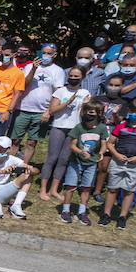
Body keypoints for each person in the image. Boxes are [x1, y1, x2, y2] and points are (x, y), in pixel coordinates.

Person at [99, 97, 136, 228]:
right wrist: (117, 154)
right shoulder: (121, 126)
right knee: (112, 189)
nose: (134, 114)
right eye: (132, 111)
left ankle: (122, 216)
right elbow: (110, 143)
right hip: (118, 162)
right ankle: (106, 214)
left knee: (129, 191)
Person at [36, 67, 91, 201]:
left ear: (82, 77)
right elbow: (53, 110)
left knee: (64, 159)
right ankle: (43, 189)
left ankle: (54, 189)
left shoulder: (85, 92)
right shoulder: (61, 91)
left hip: (74, 129)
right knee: (52, 158)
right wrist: (67, 103)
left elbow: (86, 115)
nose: (73, 78)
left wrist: (86, 106)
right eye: (71, 75)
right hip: (59, 127)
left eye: (76, 76)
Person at [56, 101, 109, 226]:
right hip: (76, 162)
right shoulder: (79, 127)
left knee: (86, 187)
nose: (88, 115)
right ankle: (66, 210)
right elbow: (72, 145)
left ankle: (82, 212)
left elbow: (103, 144)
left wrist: (101, 153)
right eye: (87, 112)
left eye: (91, 112)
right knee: (70, 186)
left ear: (99, 114)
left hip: (91, 163)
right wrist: (80, 152)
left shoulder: (101, 128)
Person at [11, 42, 64, 164]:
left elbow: (57, 93)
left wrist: (48, 111)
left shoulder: (58, 71)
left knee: (32, 142)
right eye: (43, 53)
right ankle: (10, 166)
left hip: (41, 112)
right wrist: (34, 69)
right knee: (15, 140)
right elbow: (23, 85)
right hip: (23, 108)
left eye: (49, 54)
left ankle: (23, 166)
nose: (45, 55)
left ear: (54, 55)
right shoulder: (30, 66)